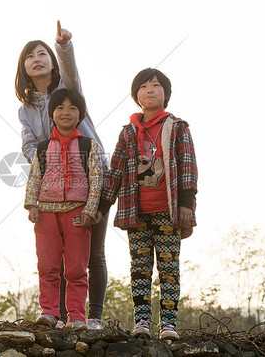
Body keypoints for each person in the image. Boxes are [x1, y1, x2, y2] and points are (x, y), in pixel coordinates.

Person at [16, 20, 109, 329]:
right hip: (53, 190)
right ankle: (59, 316)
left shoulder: (66, 90)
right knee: (55, 257)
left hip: (91, 181)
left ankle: (91, 316)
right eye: (30, 56)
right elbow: (28, 144)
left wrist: (63, 46)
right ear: (24, 67)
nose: (37, 59)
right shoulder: (25, 109)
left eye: (42, 53)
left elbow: (71, 70)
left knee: (89, 254)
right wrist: (50, 157)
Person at [98, 68, 198, 340]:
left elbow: (188, 165)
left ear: (166, 94)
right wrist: (102, 206)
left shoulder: (177, 127)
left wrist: (187, 203)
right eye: (143, 86)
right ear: (135, 96)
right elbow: (116, 171)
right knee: (139, 268)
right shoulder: (128, 133)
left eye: (156, 85)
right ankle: (141, 321)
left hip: (168, 210)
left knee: (168, 268)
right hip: (136, 212)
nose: (150, 90)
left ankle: (168, 324)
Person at [25, 88, 102, 331]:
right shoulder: (43, 147)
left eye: (72, 108)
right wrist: (31, 204)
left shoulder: (89, 146)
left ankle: (77, 316)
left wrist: (90, 210)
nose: (66, 112)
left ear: (80, 115)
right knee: (48, 265)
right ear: (51, 114)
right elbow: (35, 177)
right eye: (60, 108)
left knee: (77, 267)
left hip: (78, 213)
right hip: (46, 213)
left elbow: (97, 179)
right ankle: (49, 312)